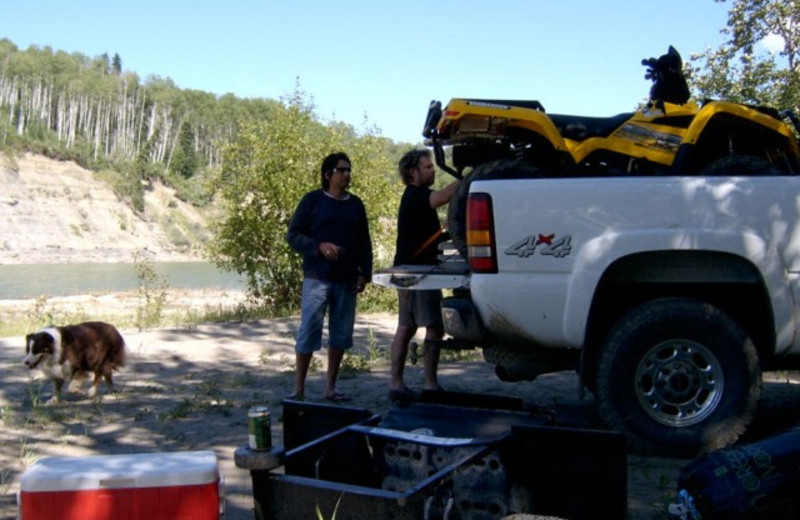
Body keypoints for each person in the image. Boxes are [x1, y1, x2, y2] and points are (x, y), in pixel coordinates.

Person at [287, 152, 372, 401]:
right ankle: (298, 389)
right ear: (328, 174)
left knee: (341, 334)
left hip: (346, 280)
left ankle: (330, 388)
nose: (347, 174)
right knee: (309, 331)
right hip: (317, 277)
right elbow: (293, 235)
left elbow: (364, 242)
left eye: (349, 170)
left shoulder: (356, 204)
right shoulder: (312, 201)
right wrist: (318, 247)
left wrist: (365, 273)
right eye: (342, 170)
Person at [389, 149, 460, 400]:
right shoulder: (417, 195)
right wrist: (467, 181)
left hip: (409, 268)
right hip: (417, 272)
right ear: (413, 172)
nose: (433, 170)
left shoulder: (413, 197)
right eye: (428, 167)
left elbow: (427, 235)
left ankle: (396, 384)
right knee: (433, 327)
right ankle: (430, 383)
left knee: (406, 326)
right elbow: (441, 198)